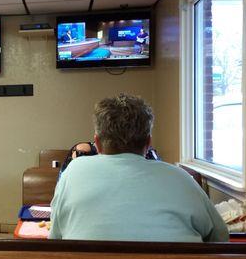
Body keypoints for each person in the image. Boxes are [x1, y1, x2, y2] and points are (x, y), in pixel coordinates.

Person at [49, 93, 229, 242]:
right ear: (148, 143)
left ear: (97, 142)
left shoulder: (74, 171)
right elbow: (219, 238)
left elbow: (56, 237)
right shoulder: (181, 178)